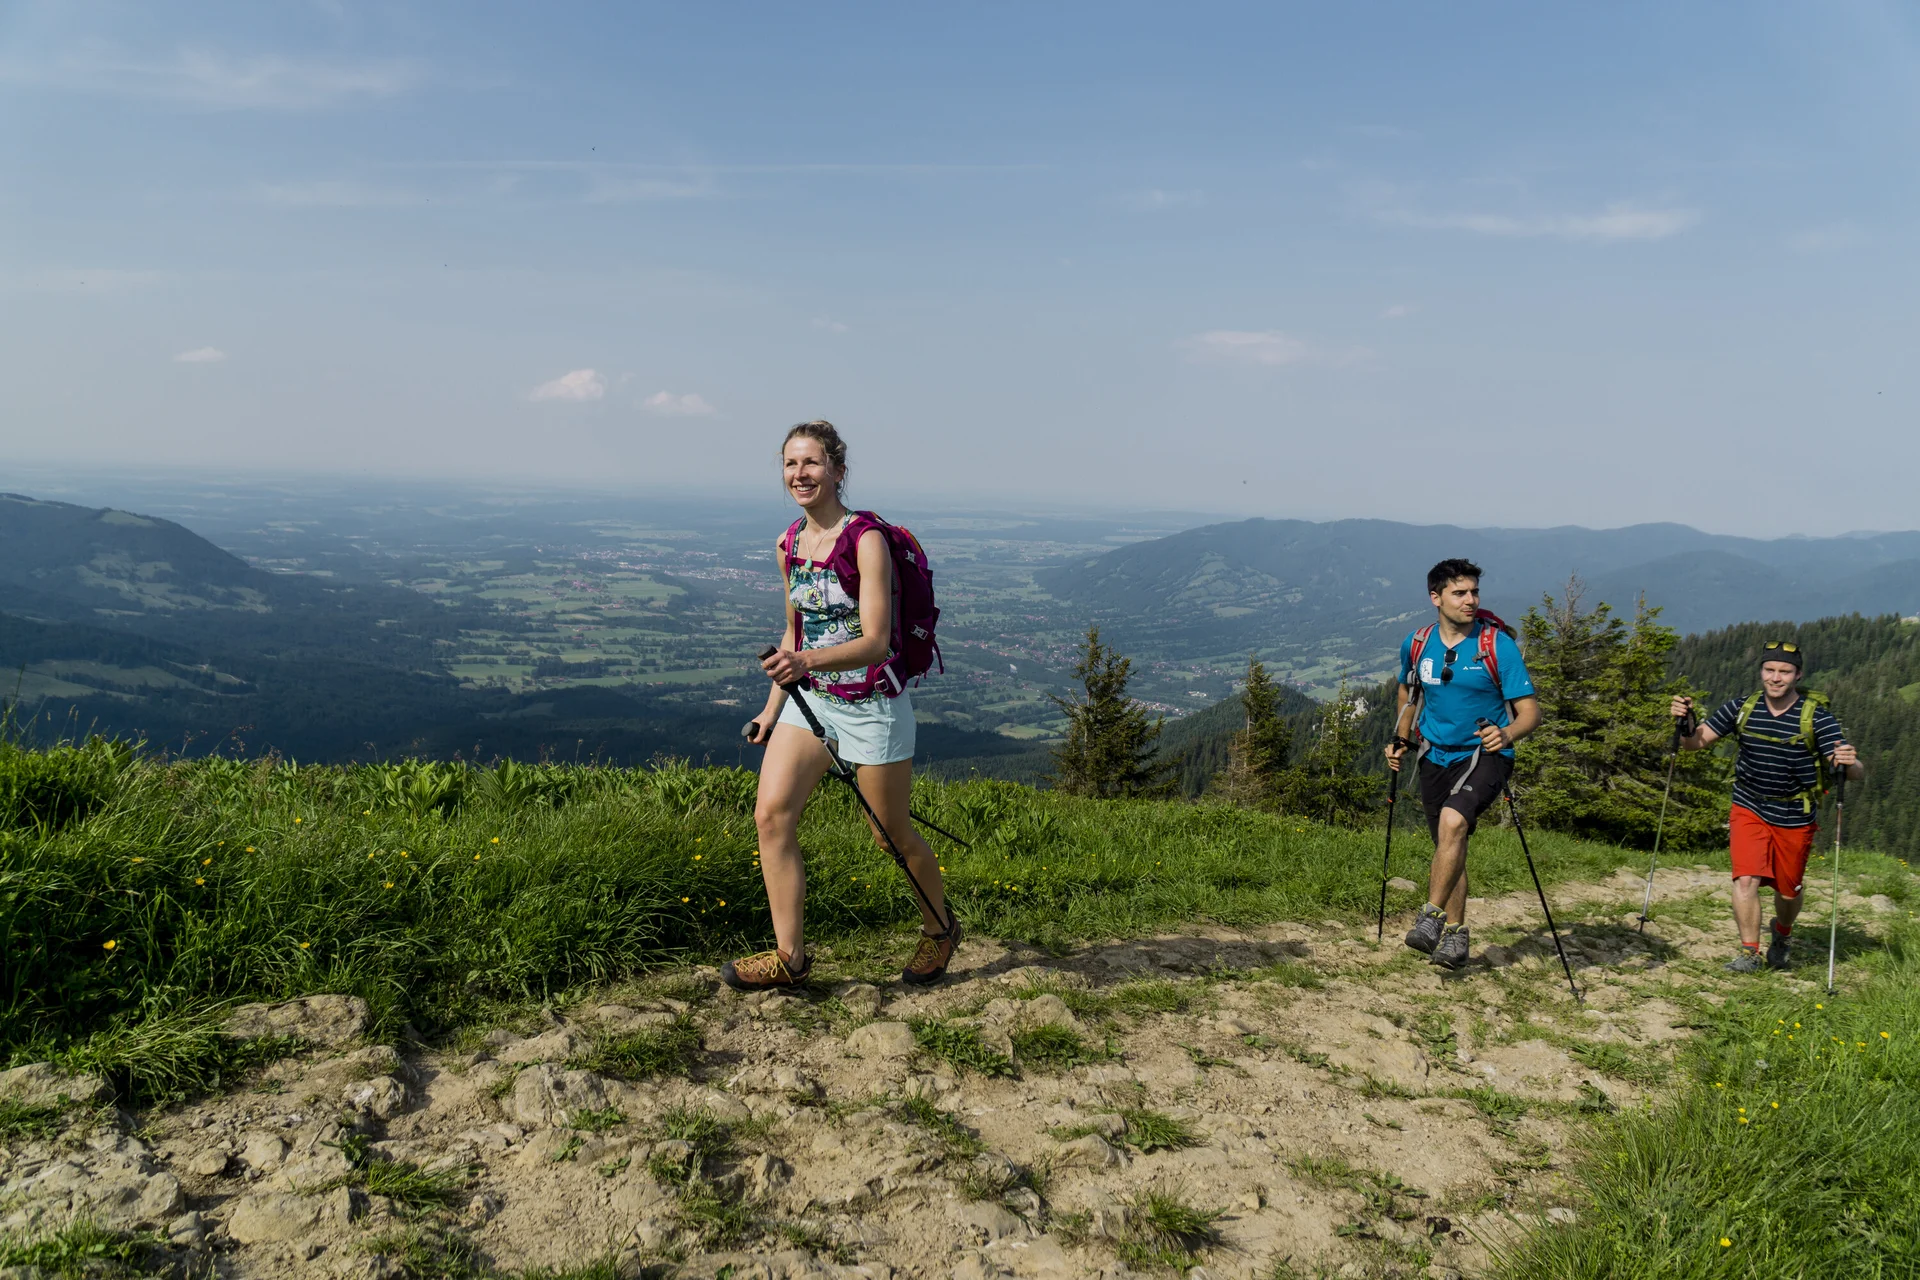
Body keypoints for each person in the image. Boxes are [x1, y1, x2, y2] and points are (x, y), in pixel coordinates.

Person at [730, 420, 959, 991]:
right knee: (771, 815)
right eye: (790, 464)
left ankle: (941, 928)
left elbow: (877, 641)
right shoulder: (789, 544)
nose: (799, 475)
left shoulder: (866, 540)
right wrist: (770, 706)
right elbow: (794, 633)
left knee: (890, 835)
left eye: (811, 463)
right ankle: (791, 959)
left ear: (837, 470)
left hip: (873, 704)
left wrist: (806, 663)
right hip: (813, 702)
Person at [1385, 559, 1541, 969]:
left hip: (1486, 755)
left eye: (1474, 592)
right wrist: (1402, 736)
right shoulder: (1417, 643)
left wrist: (1507, 734)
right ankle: (1456, 936)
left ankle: (1430, 917)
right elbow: (1408, 690)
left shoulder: (1496, 646)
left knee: (1453, 824)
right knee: (1448, 846)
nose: (1470, 600)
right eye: (1460, 593)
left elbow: (1530, 712)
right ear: (1435, 598)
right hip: (1434, 754)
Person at [1671, 640, 1861, 972]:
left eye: (1784, 671)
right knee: (1746, 880)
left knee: (1788, 893)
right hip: (1748, 805)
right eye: (1769, 670)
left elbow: (1852, 770)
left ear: (1797, 675)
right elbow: (1695, 743)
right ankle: (1750, 953)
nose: (1775, 678)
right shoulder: (1741, 707)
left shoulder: (1816, 717)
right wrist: (1686, 721)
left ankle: (1783, 935)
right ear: (1761, 671)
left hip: (1794, 814)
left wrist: (1851, 762)